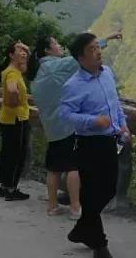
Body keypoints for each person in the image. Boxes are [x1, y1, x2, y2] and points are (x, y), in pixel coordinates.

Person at [31, 32, 122, 218]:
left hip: (50, 128)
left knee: (54, 168)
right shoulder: (57, 66)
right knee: (74, 167)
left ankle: (52, 206)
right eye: (55, 43)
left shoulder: (37, 73)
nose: (59, 46)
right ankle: (75, 207)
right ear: (47, 50)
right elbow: (82, 57)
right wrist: (106, 40)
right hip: (67, 127)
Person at [57, 33, 129, 258]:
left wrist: (123, 124)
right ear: (80, 58)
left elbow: (115, 103)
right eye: (92, 49)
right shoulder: (73, 85)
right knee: (90, 192)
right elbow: (65, 114)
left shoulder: (107, 73)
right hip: (89, 143)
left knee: (109, 189)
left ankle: (82, 228)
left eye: (98, 47)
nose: (98, 52)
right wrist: (92, 121)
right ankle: (99, 244)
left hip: (110, 141)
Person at [0, 40, 31, 201]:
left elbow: (25, 66)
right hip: (17, 118)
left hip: (7, 117)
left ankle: (4, 186)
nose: (23, 53)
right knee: (17, 155)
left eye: (24, 51)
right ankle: (11, 189)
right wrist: (14, 101)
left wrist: (26, 50)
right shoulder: (12, 73)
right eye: (19, 50)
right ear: (11, 55)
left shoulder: (14, 70)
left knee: (7, 153)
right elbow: (11, 89)